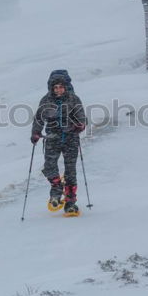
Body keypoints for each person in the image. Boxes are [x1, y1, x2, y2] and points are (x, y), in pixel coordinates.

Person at [31, 70, 86, 216]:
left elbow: (82, 117)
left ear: (66, 87)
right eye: (55, 87)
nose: (58, 90)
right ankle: (56, 188)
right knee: (49, 166)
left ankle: (70, 202)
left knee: (70, 171)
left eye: (61, 87)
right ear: (51, 88)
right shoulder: (46, 101)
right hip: (52, 138)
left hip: (71, 139)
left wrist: (80, 125)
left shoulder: (74, 99)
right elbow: (38, 119)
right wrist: (35, 133)